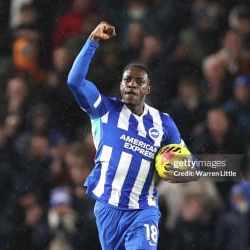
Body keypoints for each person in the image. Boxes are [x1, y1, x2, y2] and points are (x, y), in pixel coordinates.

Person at [67, 21, 196, 249]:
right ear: (120, 84)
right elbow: (75, 81)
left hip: (143, 209)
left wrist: (183, 168)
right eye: (127, 79)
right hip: (107, 207)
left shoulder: (163, 123)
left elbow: (187, 161)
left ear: (148, 89)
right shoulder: (103, 108)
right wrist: (93, 41)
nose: (131, 85)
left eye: (139, 81)